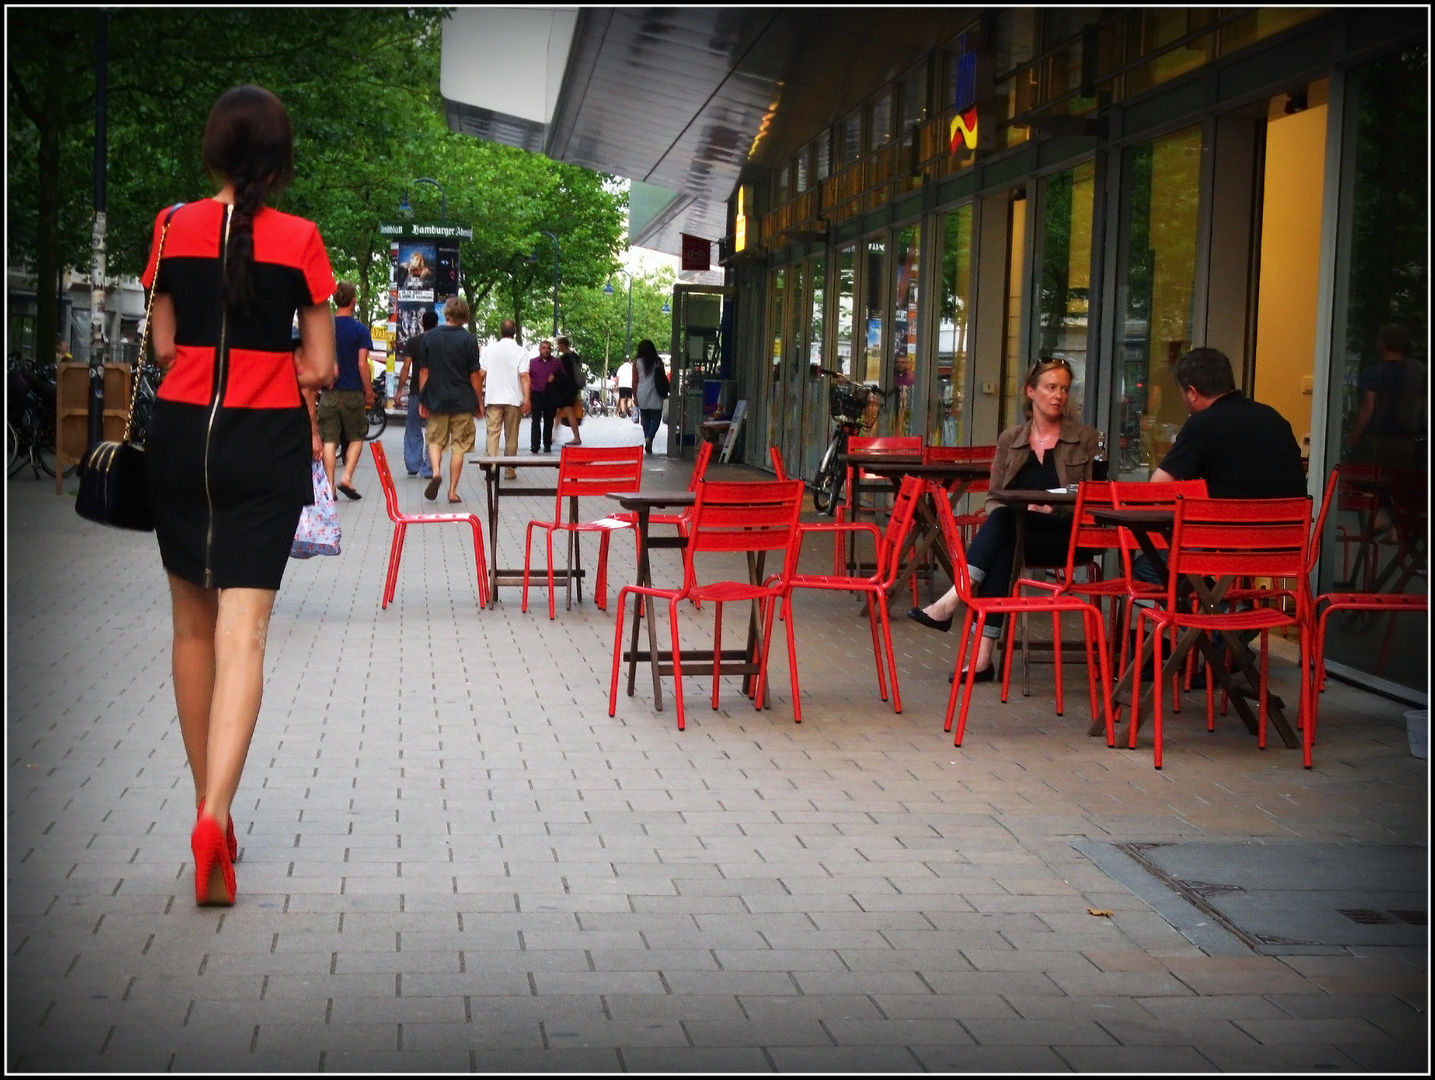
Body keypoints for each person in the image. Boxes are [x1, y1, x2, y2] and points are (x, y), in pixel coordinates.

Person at [141, 84, 337, 906]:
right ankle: (217, 814)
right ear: (281, 158)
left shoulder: (170, 227)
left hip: (183, 443)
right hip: (265, 446)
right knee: (244, 636)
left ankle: (204, 809)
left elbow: (162, 342)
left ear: (214, 151)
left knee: (191, 625)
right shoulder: (300, 240)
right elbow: (322, 366)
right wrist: (269, 367)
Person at [907, 357, 1099, 682]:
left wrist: (1054, 508)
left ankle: (954, 599)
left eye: (1064, 389)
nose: (1059, 395)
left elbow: (1095, 494)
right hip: (1020, 534)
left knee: (1005, 527)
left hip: (1065, 535)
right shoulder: (1010, 439)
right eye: (1051, 387)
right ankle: (982, 660)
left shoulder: (1085, 438)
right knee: (1005, 534)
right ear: (1031, 391)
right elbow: (995, 497)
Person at [418, 296, 483, 503]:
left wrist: (423, 399)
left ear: (446, 313)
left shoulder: (430, 337)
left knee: (435, 441)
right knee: (459, 446)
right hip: (462, 401)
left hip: (436, 400)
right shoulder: (469, 340)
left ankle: (436, 471)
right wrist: (479, 402)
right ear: (465, 315)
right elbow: (475, 375)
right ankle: (452, 491)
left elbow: (424, 372)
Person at [316, 281, 373, 500]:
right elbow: (362, 364)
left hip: (328, 393)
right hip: (352, 393)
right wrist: (368, 390)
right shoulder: (359, 330)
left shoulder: (325, 327)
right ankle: (347, 476)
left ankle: (329, 487)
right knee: (357, 436)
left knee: (329, 440)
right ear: (353, 301)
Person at [1347, 324, 1426, 471]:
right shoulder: (1418, 372)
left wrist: (1355, 434)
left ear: (1382, 343)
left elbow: (1368, 407)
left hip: (1376, 440)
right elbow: (1422, 404)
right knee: (1399, 485)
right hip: (1406, 441)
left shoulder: (1373, 373)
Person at [481, 319, 532, 478]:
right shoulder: (521, 351)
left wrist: (476, 396)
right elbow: (524, 375)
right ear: (514, 332)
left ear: (500, 331)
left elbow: (481, 374)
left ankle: (492, 466)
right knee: (511, 435)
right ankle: (509, 470)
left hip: (493, 398)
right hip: (514, 399)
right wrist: (527, 398)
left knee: (492, 433)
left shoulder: (489, 350)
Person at [396, 309, 439, 477]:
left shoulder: (413, 342)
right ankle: (429, 467)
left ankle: (413, 465)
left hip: (415, 392)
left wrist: (400, 391)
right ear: (437, 324)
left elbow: (406, 367)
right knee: (433, 430)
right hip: (436, 393)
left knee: (413, 427)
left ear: (422, 323)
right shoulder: (439, 342)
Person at [526, 339, 577, 453]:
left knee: (549, 420)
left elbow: (564, 378)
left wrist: (555, 378)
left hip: (550, 394)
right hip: (536, 394)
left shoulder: (556, 363)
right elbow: (527, 379)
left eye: (548, 348)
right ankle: (535, 445)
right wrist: (527, 396)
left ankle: (547, 444)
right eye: (543, 348)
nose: (546, 350)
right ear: (539, 349)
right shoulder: (532, 363)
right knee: (535, 420)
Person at [633, 339, 668, 453]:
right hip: (656, 392)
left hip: (642, 392)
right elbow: (662, 377)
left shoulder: (637, 362)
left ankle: (648, 440)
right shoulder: (658, 361)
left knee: (645, 419)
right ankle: (649, 438)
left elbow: (635, 380)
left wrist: (635, 396)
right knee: (656, 418)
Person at [553, 336, 584, 448]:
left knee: (570, 413)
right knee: (558, 412)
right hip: (572, 388)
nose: (557, 347)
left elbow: (563, 375)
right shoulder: (574, 356)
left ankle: (576, 437)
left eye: (558, 345)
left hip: (566, 389)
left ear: (562, 345)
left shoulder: (565, 358)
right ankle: (554, 435)